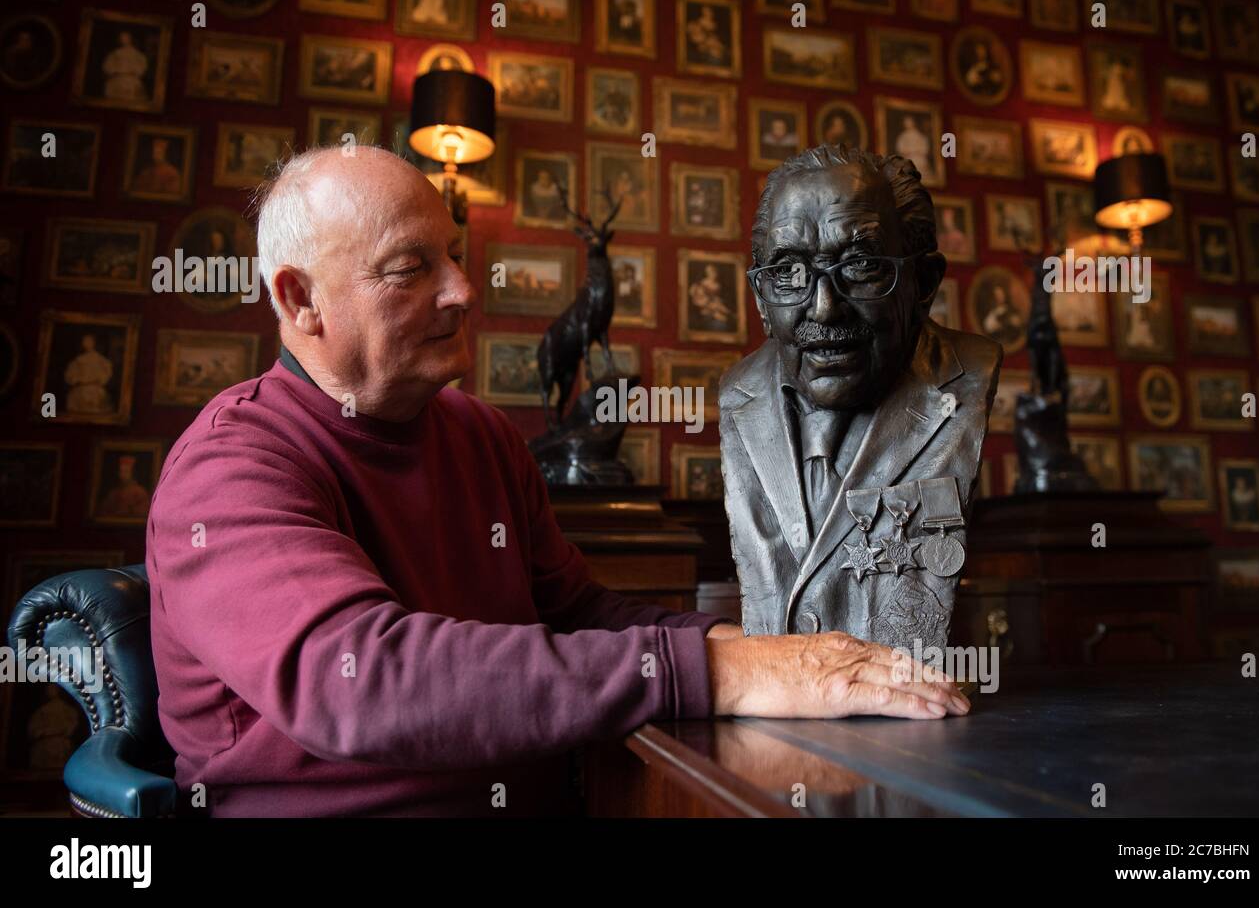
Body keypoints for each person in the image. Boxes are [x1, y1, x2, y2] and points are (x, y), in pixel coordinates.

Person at [148, 146, 968, 818]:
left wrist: (744, 649)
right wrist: (725, 674)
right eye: (411, 268)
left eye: (456, 258)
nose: (464, 291)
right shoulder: (231, 467)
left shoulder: (480, 435)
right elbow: (362, 680)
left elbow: (577, 612)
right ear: (301, 299)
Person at [719, 145, 1001, 648]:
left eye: (861, 265)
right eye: (788, 270)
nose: (825, 308)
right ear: (762, 297)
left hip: (907, 703)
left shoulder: (967, 379)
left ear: (923, 283)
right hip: (777, 701)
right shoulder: (738, 396)